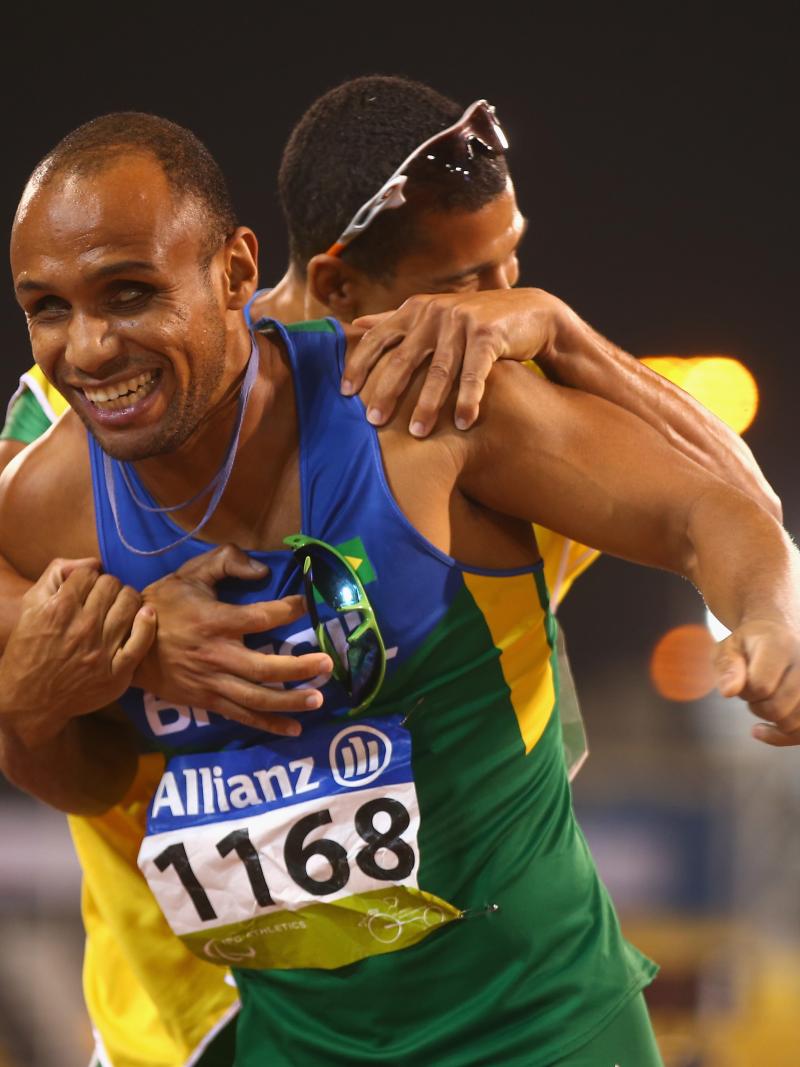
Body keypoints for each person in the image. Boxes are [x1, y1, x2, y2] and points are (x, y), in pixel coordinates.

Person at [2, 108, 799, 1067]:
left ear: (237, 273)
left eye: (513, 274)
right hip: (195, 1018)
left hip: (529, 1015)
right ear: (334, 284)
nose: (489, 312)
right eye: (465, 285)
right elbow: (57, 732)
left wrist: (769, 606)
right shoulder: (80, 430)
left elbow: (721, 505)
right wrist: (115, 642)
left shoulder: (446, 401)